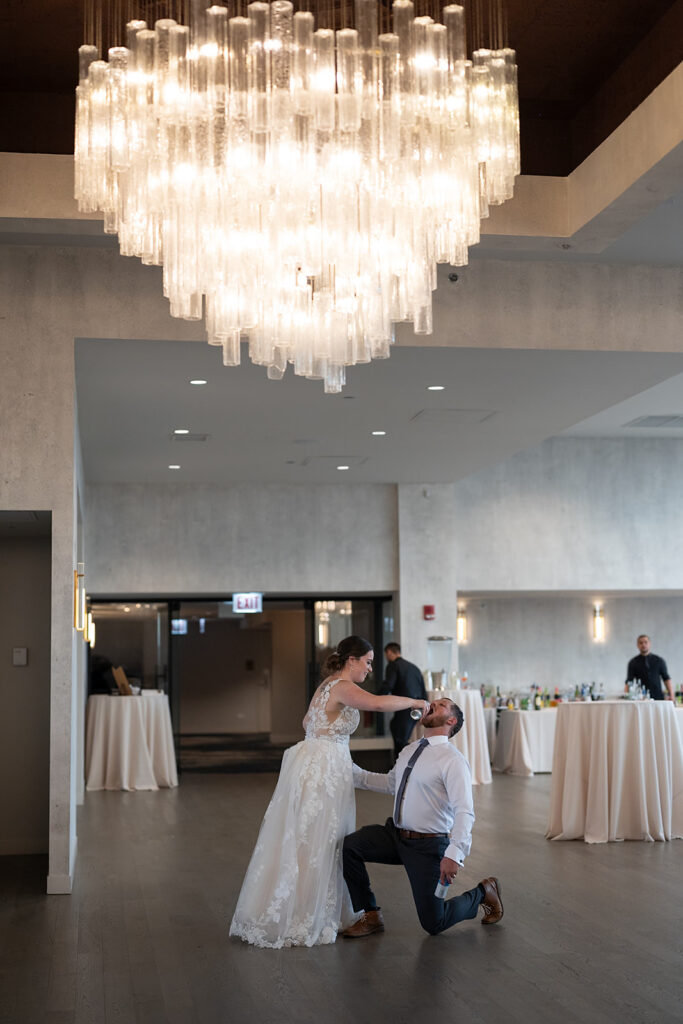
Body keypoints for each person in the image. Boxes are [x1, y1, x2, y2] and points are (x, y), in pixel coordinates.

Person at [229, 635, 430, 948]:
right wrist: (416, 701)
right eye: (367, 662)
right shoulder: (341, 686)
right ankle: (308, 913)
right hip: (324, 771)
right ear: (352, 660)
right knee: (322, 839)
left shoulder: (326, 686)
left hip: (319, 765)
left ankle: (307, 907)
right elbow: (377, 703)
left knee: (311, 837)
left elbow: (307, 721)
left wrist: (329, 747)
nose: (370, 668)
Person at [342, 697, 503, 938]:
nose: (431, 704)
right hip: (395, 834)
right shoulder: (410, 749)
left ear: (451, 720)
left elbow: (465, 811)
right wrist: (351, 772)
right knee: (350, 847)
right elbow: (392, 784)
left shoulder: (453, 760)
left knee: (434, 923)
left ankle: (483, 892)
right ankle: (371, 914)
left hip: (427, 844)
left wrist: (454, 854)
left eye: (440, 705)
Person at [381, 642, 428, 760]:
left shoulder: (393, 665)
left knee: (400, 741)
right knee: (405, 738)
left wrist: (375, 698)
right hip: (417, 710)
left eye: (386, 654)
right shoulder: (414, 667)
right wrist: (423, 712)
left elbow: (388, 685)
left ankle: (400, 770)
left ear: (389, 652)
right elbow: (423, 690)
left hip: (403, 707)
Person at [625, 634, 674, 701]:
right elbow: (629, 682)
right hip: (641, 699)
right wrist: (627, 698)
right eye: (641, 643)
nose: (643, 644)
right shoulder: (633, 662)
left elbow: (666, 679)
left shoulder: (659, 660)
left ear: (649, 644)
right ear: (637, 645)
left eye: (645, 642)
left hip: (658, 698)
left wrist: (672, 696)